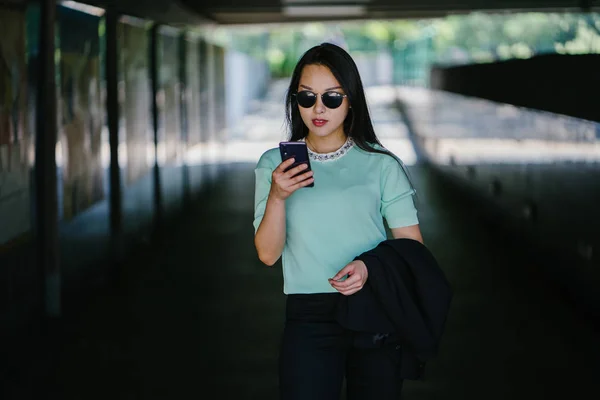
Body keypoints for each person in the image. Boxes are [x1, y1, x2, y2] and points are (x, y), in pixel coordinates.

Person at [253, 42, 424, 400]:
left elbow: (413, 252)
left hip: (373, 308)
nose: (318, 108)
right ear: (294, 99)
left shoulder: (382, 165)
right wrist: (277, 196)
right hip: (308, 315)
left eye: (331, 98)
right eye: (306, 97)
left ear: (351, 100)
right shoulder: (275, 166)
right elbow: (268, 255)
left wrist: (370, 268)